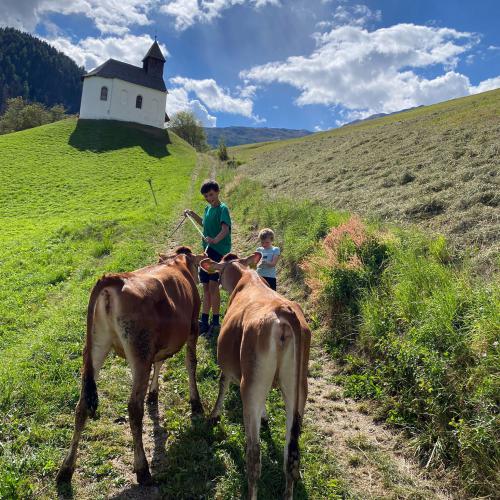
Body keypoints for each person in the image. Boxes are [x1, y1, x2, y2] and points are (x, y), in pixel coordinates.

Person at [184, 180, 231, 336]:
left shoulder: (223, 209)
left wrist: (215, 240)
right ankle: (204, 321)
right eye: (206, 196)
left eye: (211, 194)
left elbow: (225, 229)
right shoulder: (207, 209)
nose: (209, 198)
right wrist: (192, 214)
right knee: (204, 287)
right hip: (207, 252)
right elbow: (204, 223)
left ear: (217, 192)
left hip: (218, 252)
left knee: (212, 287)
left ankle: (216, 321)